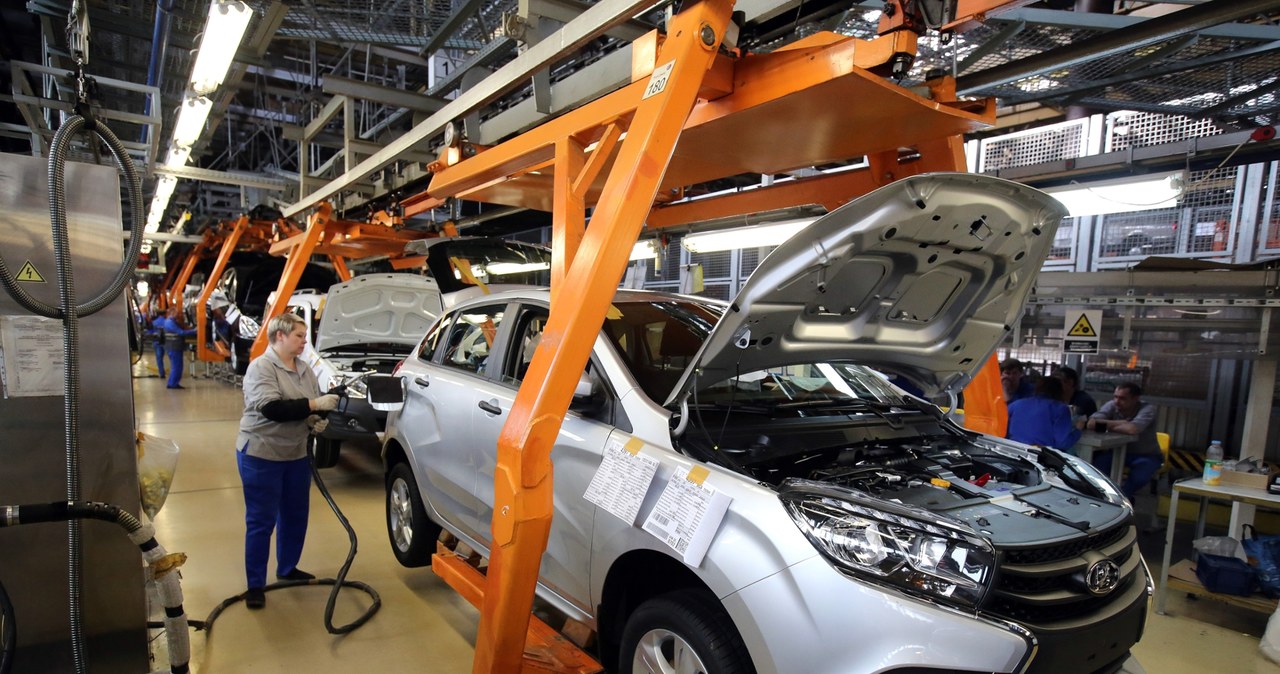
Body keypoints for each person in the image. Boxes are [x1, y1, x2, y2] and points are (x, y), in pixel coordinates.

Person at [235, 313, 339, 609]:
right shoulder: (262, 368)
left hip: (295, 454)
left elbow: (307, 405)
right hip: (262, 454)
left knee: (295, 515)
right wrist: (314, 405)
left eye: (305, 336)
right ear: (279, 336)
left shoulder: (305, 369)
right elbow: (273, 409)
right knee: (261, 521)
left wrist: (315, 418)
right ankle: (255, 585)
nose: (305, 341)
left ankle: (287, 568)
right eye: (299, 335)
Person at [1088, 382, 1161, 498]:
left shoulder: (1148, 409)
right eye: (1115, 397)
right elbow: (1091, 423)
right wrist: (1121, 423)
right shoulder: (1113, 405)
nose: (1117, 401)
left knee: (1139, 478)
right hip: (1116, 451)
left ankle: (1124, 498)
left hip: (1146, 455)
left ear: (1135, 399)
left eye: (1122, 398)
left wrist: (1105, 425)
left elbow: (1133, 429)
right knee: (1097, 469)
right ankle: (1103, 496)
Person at [1007, 377, 1080, 452]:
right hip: (1040, 457)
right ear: (1060, 391)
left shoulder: (1016, 404)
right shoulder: (1060, 409)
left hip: (1012, 452)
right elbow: (1063, 443)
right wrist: (1078, 430)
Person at [156, 308, 196, 389]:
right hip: (174, 347)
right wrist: (195, 331)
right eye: (177, 313)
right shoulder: (170, 322)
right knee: (177, 366)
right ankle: (173, 384)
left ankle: (172, 383)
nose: (178, 315)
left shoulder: (171, 322)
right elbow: (180, 332)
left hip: (174, 347)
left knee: (176, 366)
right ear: (172, 312)